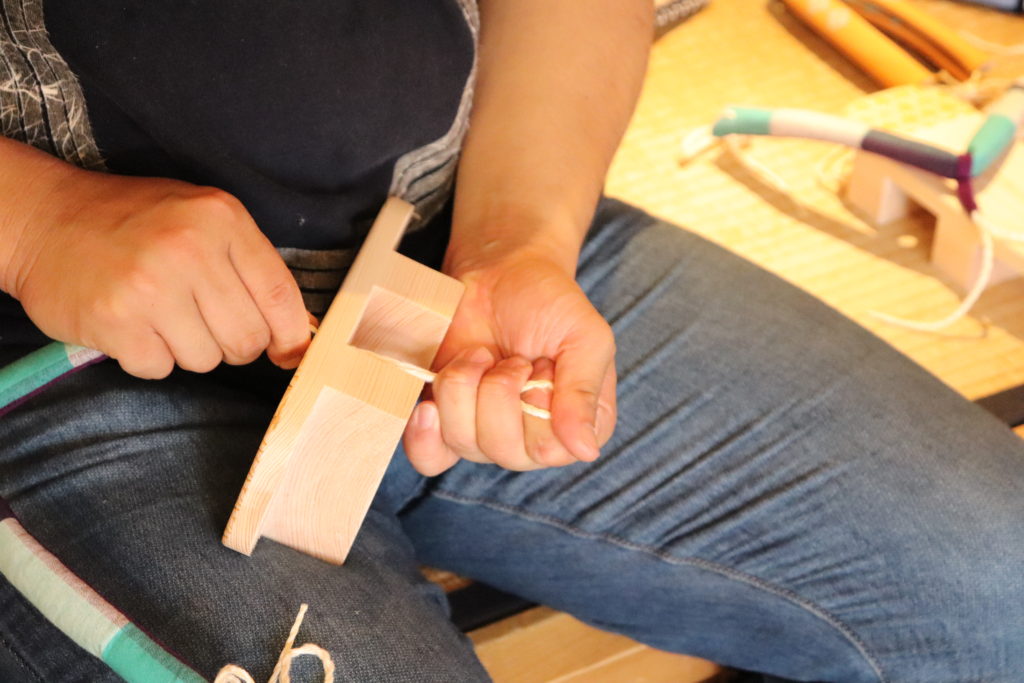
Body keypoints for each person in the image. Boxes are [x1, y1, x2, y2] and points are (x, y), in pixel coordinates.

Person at [1, 1, 1022, 681]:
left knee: (1000, 591)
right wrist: (36, 221)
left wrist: (521, 240)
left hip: (459, 245)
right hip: (56, 340)